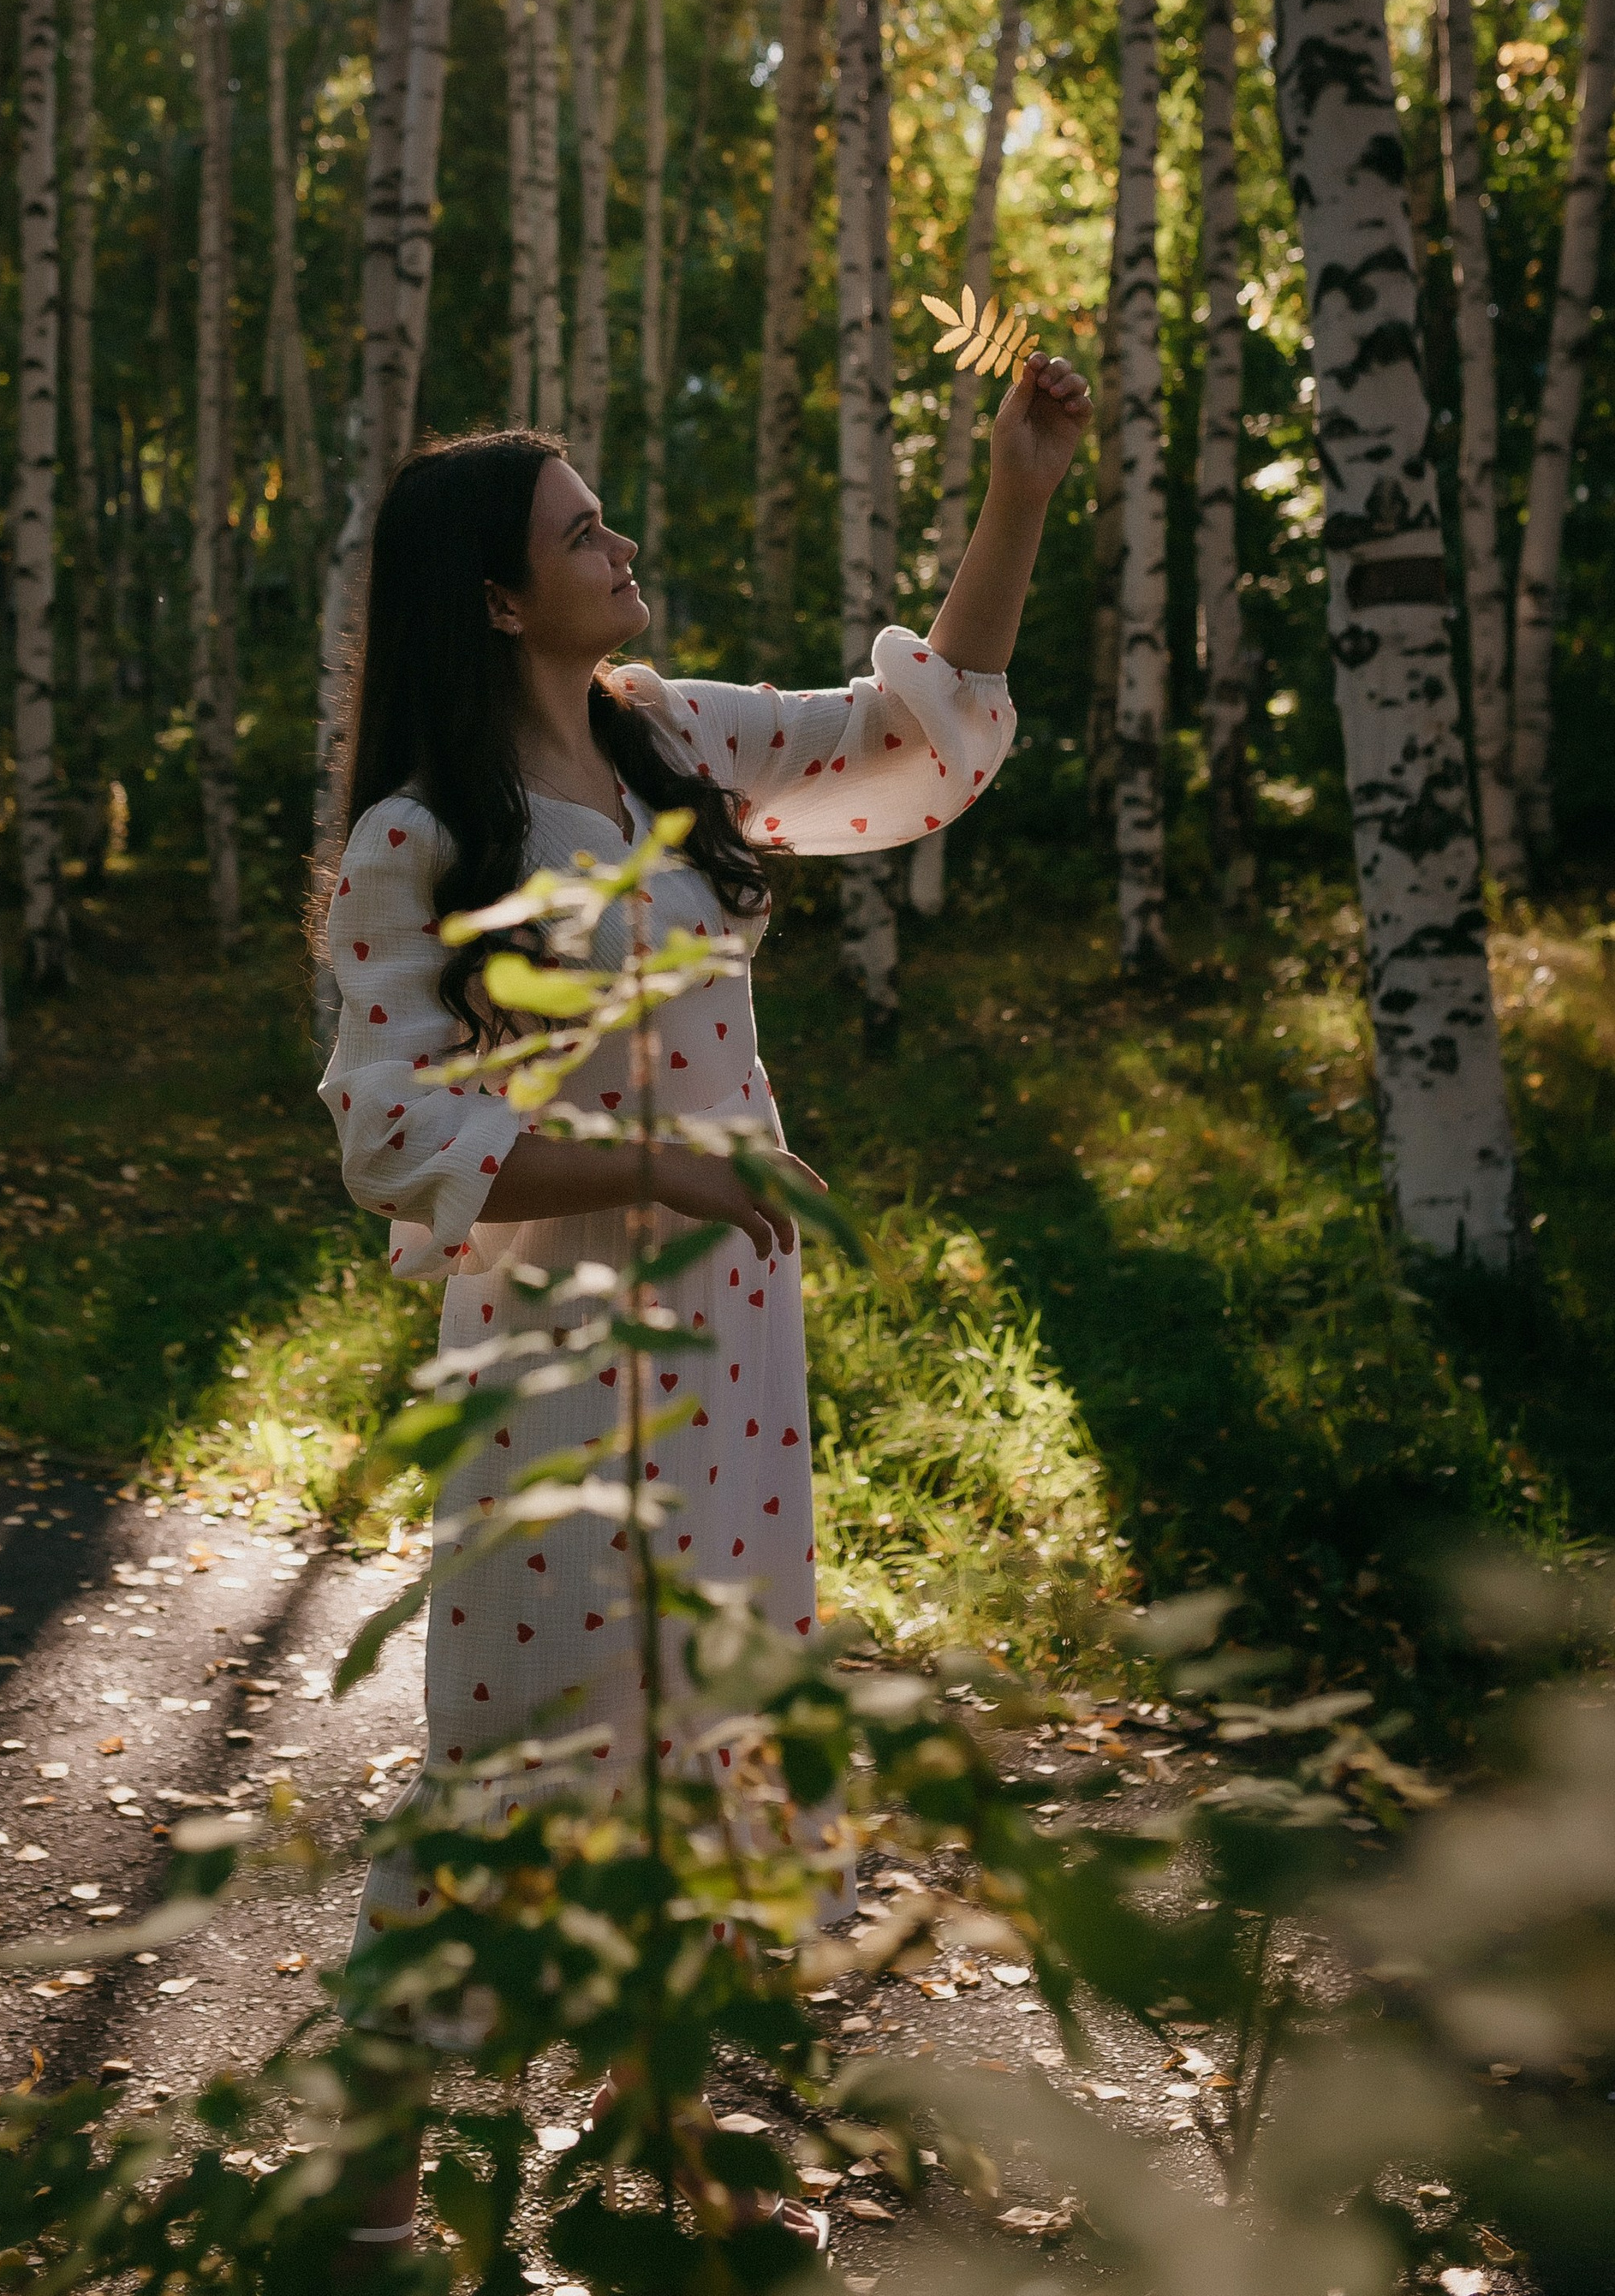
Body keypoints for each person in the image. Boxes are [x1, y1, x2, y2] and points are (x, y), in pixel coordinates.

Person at [317, 354, 1092, 2249]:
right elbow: (389, 1127)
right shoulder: (415, 838)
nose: (620, 539)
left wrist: (1015, 494)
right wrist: (676, 1168)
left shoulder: (666, 736)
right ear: (499, 598)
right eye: (581, 530)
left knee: (704, 1741)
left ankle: (660, 2172)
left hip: (729, 1360)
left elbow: (899, 747)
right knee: (513, 1750)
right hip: (553, 1364)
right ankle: (358, 2201)